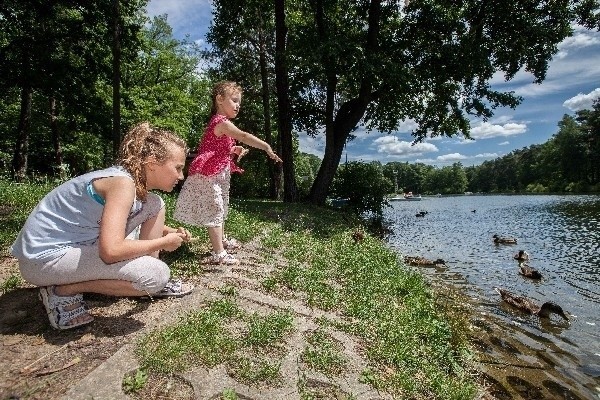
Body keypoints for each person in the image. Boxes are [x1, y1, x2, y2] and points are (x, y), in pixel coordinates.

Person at [10, 122, 194, 330]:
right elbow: (111, 251)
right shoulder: (123, 185)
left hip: (68, 249)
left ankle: (147, 279)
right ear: (152, 163)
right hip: (42, 261)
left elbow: (113, 221)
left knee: (154, 204)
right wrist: (162, 242)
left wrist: (167, 232)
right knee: (156, 275)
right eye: (177, 167)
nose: (181, 176)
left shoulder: (126, 182)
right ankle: (63, 290)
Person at [174, 81, 282, 265]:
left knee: (220, 206)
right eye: (234, 100)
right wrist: (266, 147)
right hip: (209, 175)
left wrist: (233, 150)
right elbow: (244, 136)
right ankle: (219, 253)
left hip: (218, 174)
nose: (238, 105)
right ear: (219, 99)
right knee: (215, 207)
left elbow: (219, 147)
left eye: (239, 101)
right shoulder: (221, 122)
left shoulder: (224, 126)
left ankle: (221, 240)